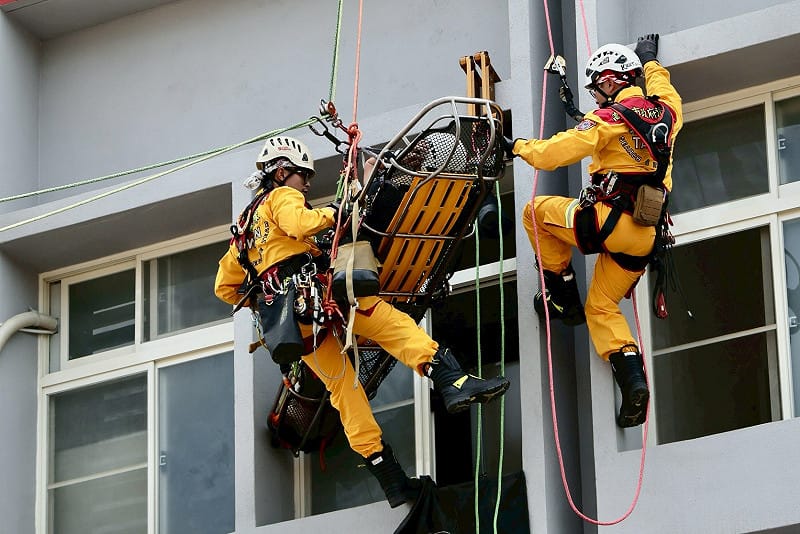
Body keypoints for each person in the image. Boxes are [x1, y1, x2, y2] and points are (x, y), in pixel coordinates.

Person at [214, 135, 510, 507]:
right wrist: (336, 209)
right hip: (320, 299)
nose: (306, 184)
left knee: (345, 393)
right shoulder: (279, 198)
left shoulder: (241, 231)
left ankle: (391, 479)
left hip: (295, 327)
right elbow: (301, 222)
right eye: (302, 176)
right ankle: (452, 380)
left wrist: (267, 294)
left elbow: (224, 287)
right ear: (282, 171)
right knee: (390, 323)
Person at [504, 34, 682, 428]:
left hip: (608, 222)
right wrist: (650, 60)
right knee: (601, 307)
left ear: (610, 79)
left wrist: (517, 147)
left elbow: (557, 152)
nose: (596, 96)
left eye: (597, 87)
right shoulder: (668, 112)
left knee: (535, 213)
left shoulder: (608, 118)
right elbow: (662, 86)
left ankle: (561, 295)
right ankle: (634, 383)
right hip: (646, 237)